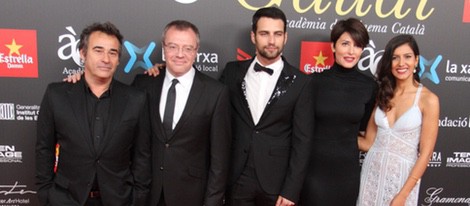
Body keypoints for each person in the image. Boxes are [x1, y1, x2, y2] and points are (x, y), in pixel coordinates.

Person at [35, 22, 151, 206]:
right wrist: (46, 194)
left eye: (112, 53)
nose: (106, 59)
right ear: (83, 53)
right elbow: (44, 149)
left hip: (120, 200)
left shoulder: (136, 99)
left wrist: (138, 197)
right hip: (65, 200)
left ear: (118, 59)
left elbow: (142, 155)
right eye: (98, 50)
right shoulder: (56, 95)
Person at [219, 7, 314, 206]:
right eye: (264, 33)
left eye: (277, 34)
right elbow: (205, 95)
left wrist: (291, 190)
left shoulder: (300, 82)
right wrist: (170, 70)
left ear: (285, 37)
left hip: (277, 184)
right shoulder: (231, 72)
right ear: (253, 36)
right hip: (237, 178)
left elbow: (302, 142)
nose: (271, 41)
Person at [132, 20, 231, 206]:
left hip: (192, 196)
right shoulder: (143, 84)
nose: (179, 54)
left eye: (187, 48)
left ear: (196, 50)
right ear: (164, 48)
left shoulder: (215, 92)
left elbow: (220, 159)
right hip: (147, 194)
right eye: (173, 46)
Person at [299, 18, 378, 205]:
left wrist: (345, 139)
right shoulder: (313, 82)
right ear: (333, 46)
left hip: (346, 175)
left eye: (357, 46)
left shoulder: (369, 87)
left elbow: (366, 135)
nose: (351, 51)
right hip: (313, 172)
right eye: (345, 44)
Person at [357, 34, 439, 206]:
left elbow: (425, 154)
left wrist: (403, 194)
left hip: (402, 179)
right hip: (371, 175)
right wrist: (334, 131)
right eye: (395, 58)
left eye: (407, 57)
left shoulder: (428, 99)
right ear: (389, 63)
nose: (401, 63)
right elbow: (367, 143)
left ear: (416, 60)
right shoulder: (383, 93)